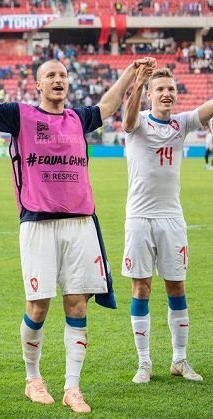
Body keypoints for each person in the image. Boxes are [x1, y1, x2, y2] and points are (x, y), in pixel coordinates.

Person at [0, 35, 154, 413]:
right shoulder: (20, 115)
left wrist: (129, 72)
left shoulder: (78, 118)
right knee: (38, 305)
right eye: (50, 76)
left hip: (80, 224)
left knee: (77, 305)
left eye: (63, 75)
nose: (58, 80)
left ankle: (73, 387)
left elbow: (108, 105)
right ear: (38, 85)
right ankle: (32, 377)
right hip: (38, 225)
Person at [121, 67, 213, 384]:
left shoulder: (182, 123)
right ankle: (144, 363)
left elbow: (208, 108)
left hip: (172, 218)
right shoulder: (137, 122)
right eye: (159, 88)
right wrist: (135, 84)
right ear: (149, 94)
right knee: (141, 287)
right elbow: (126, 119)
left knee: (176, 286)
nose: (166, 94)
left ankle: (180, 359)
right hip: (139, 218)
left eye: (171, 89)